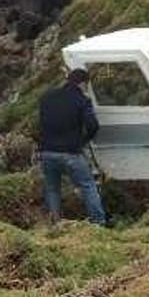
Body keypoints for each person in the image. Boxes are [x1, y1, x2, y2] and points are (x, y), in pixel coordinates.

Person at [38, 68, 107, 225]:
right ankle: (99, 223)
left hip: (47, 152)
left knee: (52, 188)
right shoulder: (82, 100)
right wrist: (83, 141)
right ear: (83, 84)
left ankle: (55, 223)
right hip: (71, 152)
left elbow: (42, 123)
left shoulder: (47, 97)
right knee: (88, 185)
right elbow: (93, 126)